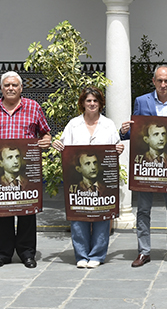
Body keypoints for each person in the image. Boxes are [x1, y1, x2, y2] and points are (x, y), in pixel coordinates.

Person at [0, 71, 52, 269]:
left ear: (21, 88)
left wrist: (47, 141)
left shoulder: (33, 107)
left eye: (14, 85)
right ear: (1, 88)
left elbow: (45, 133)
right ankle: (3, 254)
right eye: (7, 85)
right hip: (0, 172)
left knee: (27, 212)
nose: (10, 88)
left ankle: (27, 254)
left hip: (27, 171)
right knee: (2, 213)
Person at [119, 65, 167, 268]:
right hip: (146, 167)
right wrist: (124, 131)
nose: (163, 85)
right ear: (153, 82)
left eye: (166, 81)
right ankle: (144, 252)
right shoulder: (141, 101)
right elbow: (134, 133)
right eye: (159, 81)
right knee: (143, 210)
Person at [52, 87, 124, 268]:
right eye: (88, 100)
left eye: (95, 101)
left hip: (102, 180)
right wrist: (58, 145)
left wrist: (118, 149)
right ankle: (81, 255)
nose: (92, 104)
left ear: (101, 104)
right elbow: (64, 146)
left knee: (102, 216)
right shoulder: (73, 124)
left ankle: (97, 255)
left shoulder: (107, 124)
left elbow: (116, 145)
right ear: (82, 103)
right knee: (79, 215)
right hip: (78, 180)